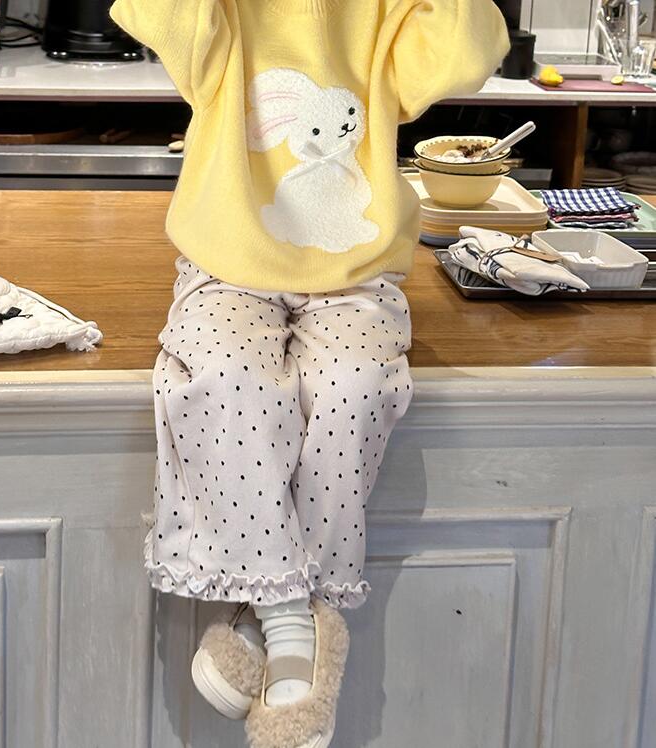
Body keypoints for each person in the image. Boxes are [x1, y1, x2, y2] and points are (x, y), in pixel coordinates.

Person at [110, 2, 509, 746]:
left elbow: (462, 55)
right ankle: (296, 616)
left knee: (355, 386)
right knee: (226, 376)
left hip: (355, 271)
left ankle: (269, 613)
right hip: (227, 262)